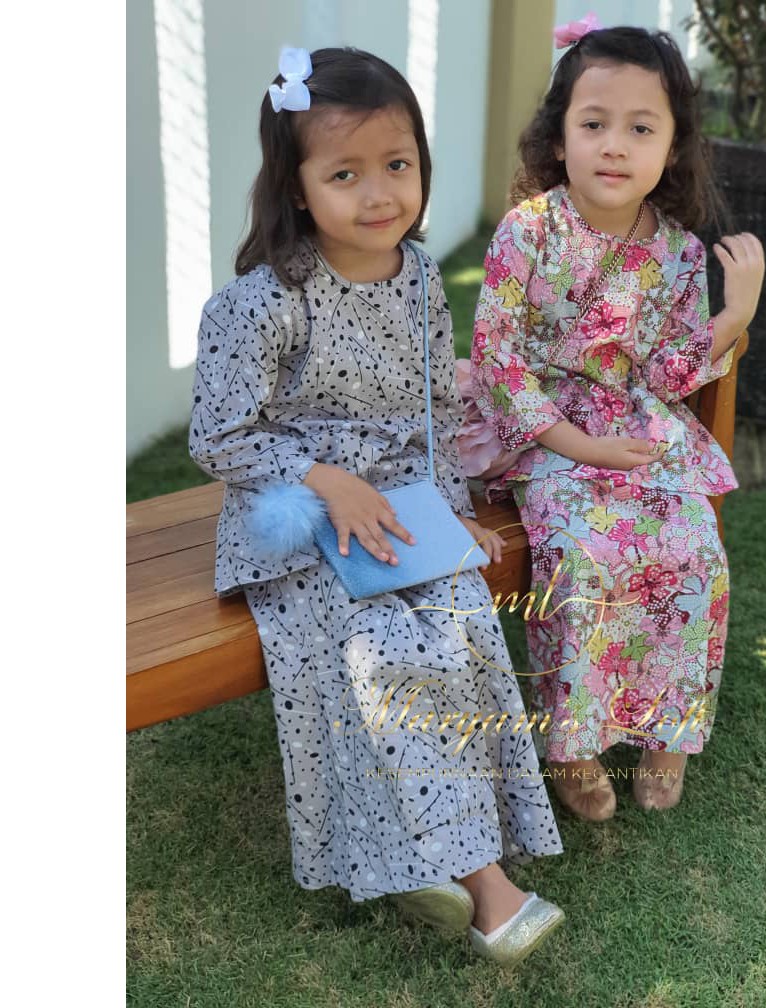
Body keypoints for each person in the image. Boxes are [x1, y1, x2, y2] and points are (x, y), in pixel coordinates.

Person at [188, 46, 564, 965]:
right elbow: (218, 437)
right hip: (293, 515)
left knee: (461, 623)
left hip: (402, 506)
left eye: (397, 164)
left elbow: (434, 414)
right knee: (378, 646)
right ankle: (486, 887)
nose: (378, 193)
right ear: (297, 184)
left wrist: (450, 506)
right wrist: (327, 479)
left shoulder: (421, 277)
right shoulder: (260, 304)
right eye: (344, 173)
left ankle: (418, 863)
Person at [463, 20, 765, 820]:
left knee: (693, 552)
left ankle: (668, 728)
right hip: (545, 430)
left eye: (641, 128)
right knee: (583, 556)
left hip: (637, 427)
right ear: (559, 135)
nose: (614, 146)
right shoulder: (530, 230)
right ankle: (575, 743)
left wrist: (733, 316)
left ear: (673, 146)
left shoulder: (676, 251)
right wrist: (578, 445)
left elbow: (667, 373)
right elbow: (498, 357)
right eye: (594, 123)